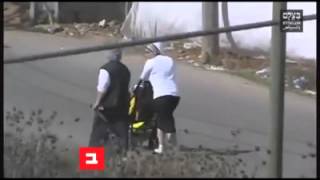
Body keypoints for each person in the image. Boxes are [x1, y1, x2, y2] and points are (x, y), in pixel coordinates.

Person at [139, 42, 180, 154]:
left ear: (155, 51)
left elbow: (143, 77)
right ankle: (162, 146)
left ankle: (172, 143)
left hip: (160, 95)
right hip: (174, 95)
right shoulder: (169, 60)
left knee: (164, 121)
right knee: (163, 118)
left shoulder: (150, 62)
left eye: (148, 51)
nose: (146, 54)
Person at [89, 49, 131, 154]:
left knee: (97, 136)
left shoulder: (106, 69)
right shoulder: (125, 70)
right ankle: (123, 161)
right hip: (122, 107)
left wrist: (97, 102)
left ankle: (91, 166)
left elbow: (102, 88)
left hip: (107, 108)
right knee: (122, 135)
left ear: (108, 55)